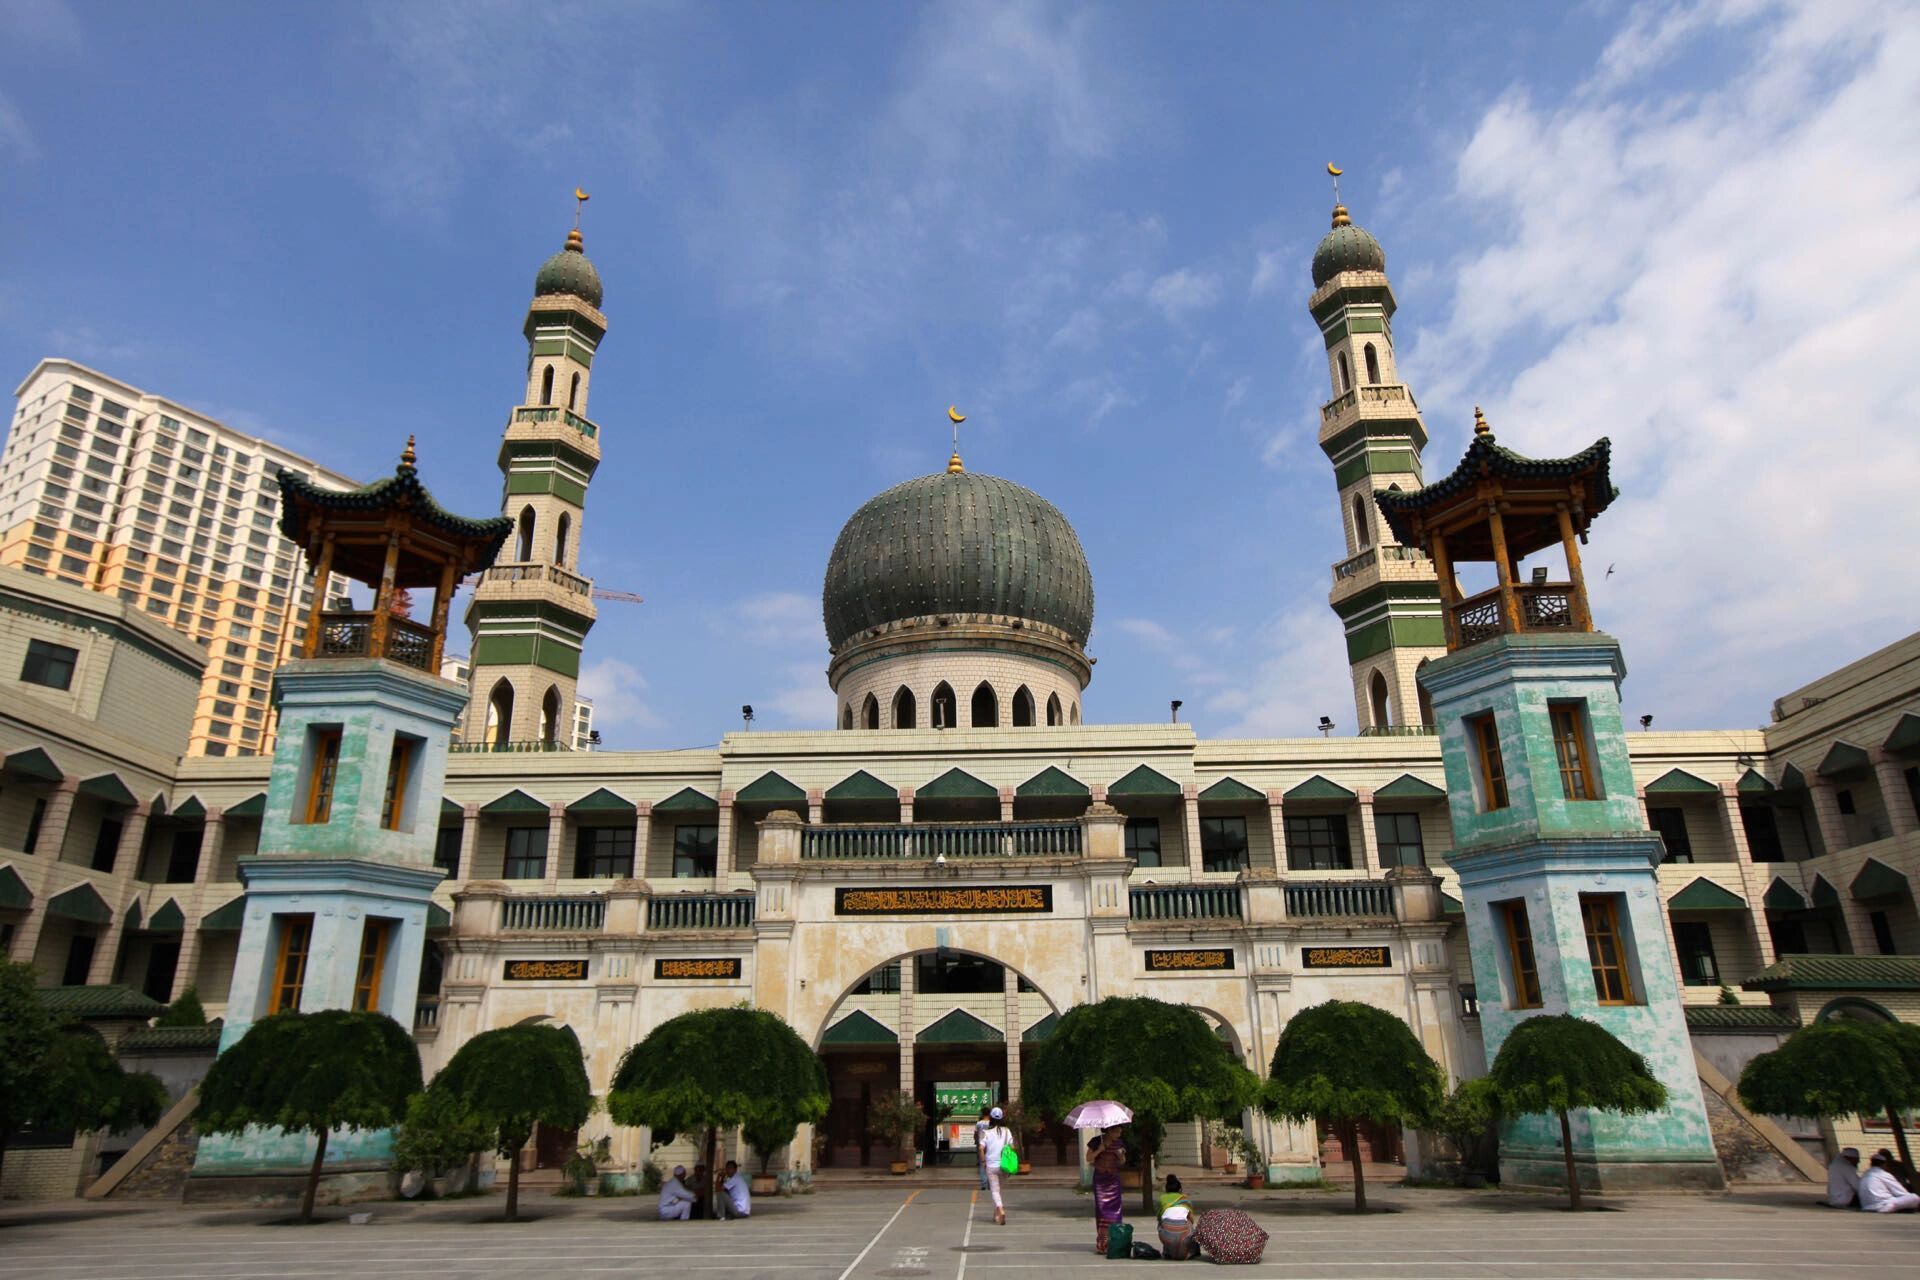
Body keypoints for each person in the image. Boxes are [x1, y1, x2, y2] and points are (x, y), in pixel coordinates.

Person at [1088, 1126, 1126, 1254]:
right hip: (1100, 1180)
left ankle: (1114, 1242)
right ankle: (1102, 1243)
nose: (1119, 1135)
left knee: (1115, 1212)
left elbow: (1122, 1162)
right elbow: (1089, 1158)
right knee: (1102, 1211)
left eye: (1120, 1132)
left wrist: (1120, 1156)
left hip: (1113, 1181)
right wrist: (1100, 1149)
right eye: (1117, 1132)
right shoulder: (1096, 1141)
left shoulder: (1119, 1143)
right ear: (1109, 1131)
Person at [978, 1106, 1016, 1226]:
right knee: (999, 1190)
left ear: (991, 1118)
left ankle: (1000, 1209)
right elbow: (1013, 1147)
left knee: (995, 1190)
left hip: (991, 1165)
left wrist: (983, 1162)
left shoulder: (986, 1133)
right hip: (1004, 1165)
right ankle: (996, 1214)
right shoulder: (1007, 1131)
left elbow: (981, 1148)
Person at [1156, 1174, 1197, 1260]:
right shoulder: (1185, 1199)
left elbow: (1159, 1218)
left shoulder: (1162, 1198)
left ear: (1166, 1189)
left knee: (1161, 1223)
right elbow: (1192, 1220)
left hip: (1166, 1235)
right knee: (1188, 1221)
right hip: (1184, 1235)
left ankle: (1167, 1250)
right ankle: (1190, 1250)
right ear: (1180, 1189)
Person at [976, 1108, 993, 1191]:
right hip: (990, 1145)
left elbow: (975, 1134)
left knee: (982, 1164)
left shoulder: (979, 1123)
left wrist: (977, 1142)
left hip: (981, 1145)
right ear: (989, 1114)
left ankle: (983, 1184)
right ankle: (990, 1184)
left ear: (982, 1114)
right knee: (990, 1163)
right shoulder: (991, 1123)